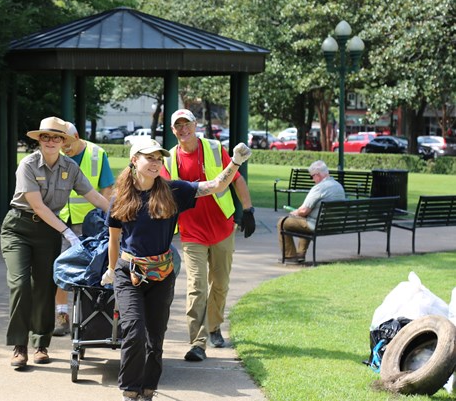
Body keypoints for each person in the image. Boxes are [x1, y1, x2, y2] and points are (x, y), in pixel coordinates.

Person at [100, 138, 252, 401]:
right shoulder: (120, 198)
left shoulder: (173, 191)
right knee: (134, 331)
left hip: (161, 274)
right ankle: (129, 390)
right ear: (135, 159)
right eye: (150, 158)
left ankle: (147, 390)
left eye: (159, 158)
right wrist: (111, 270)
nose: (156, 162)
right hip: (129, 274)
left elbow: (216, 185)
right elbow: (114, 239)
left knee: (155, 337)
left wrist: (236, 161)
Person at [0, 116, 110, 369]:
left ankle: (41, 344)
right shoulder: (27, 164)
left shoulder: (69, 166)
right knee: (19, 284)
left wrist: (121, 216)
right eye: (46, 137)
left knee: (45, 287)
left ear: (63, 142)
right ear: (39, 140)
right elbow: (37, 206)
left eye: (56, 137)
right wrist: (68, 233)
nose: (51, 141)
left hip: (47, 233)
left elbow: (93, 195)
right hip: (19, 228)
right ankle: (19, 346)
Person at [161, 109, 256, 361]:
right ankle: (197, 342)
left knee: (221, 284)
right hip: (192, 232)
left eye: (187, 124)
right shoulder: (169, 159)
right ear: (173, 130)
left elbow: (236, 179)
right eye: (178, 126)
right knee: (196, 287)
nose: (183, 129)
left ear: (195, 125)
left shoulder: (214, 148)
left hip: (222, 228)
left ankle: (214, 326)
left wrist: (247, 209)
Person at [53, 122, 115, 336]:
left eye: (68, 144)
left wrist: (103, 219)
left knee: (89, 270)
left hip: (87, 223)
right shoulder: (55, 154)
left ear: (77, 136)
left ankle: (90, 317)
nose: (65, 149)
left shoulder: (97, 154)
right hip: (60, 220)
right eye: (62, 145)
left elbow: (107, 187)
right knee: (59, 269)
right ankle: (62, 317)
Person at [277, 160, 345, 263]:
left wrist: (295, 212)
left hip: (317, 225)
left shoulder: (319, 188)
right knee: (305, 218)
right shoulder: (338, 186)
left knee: (282, 222)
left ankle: (289, 256)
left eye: (312, 176)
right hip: (334, 224)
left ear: (317, 175)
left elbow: (304, 210)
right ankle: (300, 254)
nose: (312, 179)